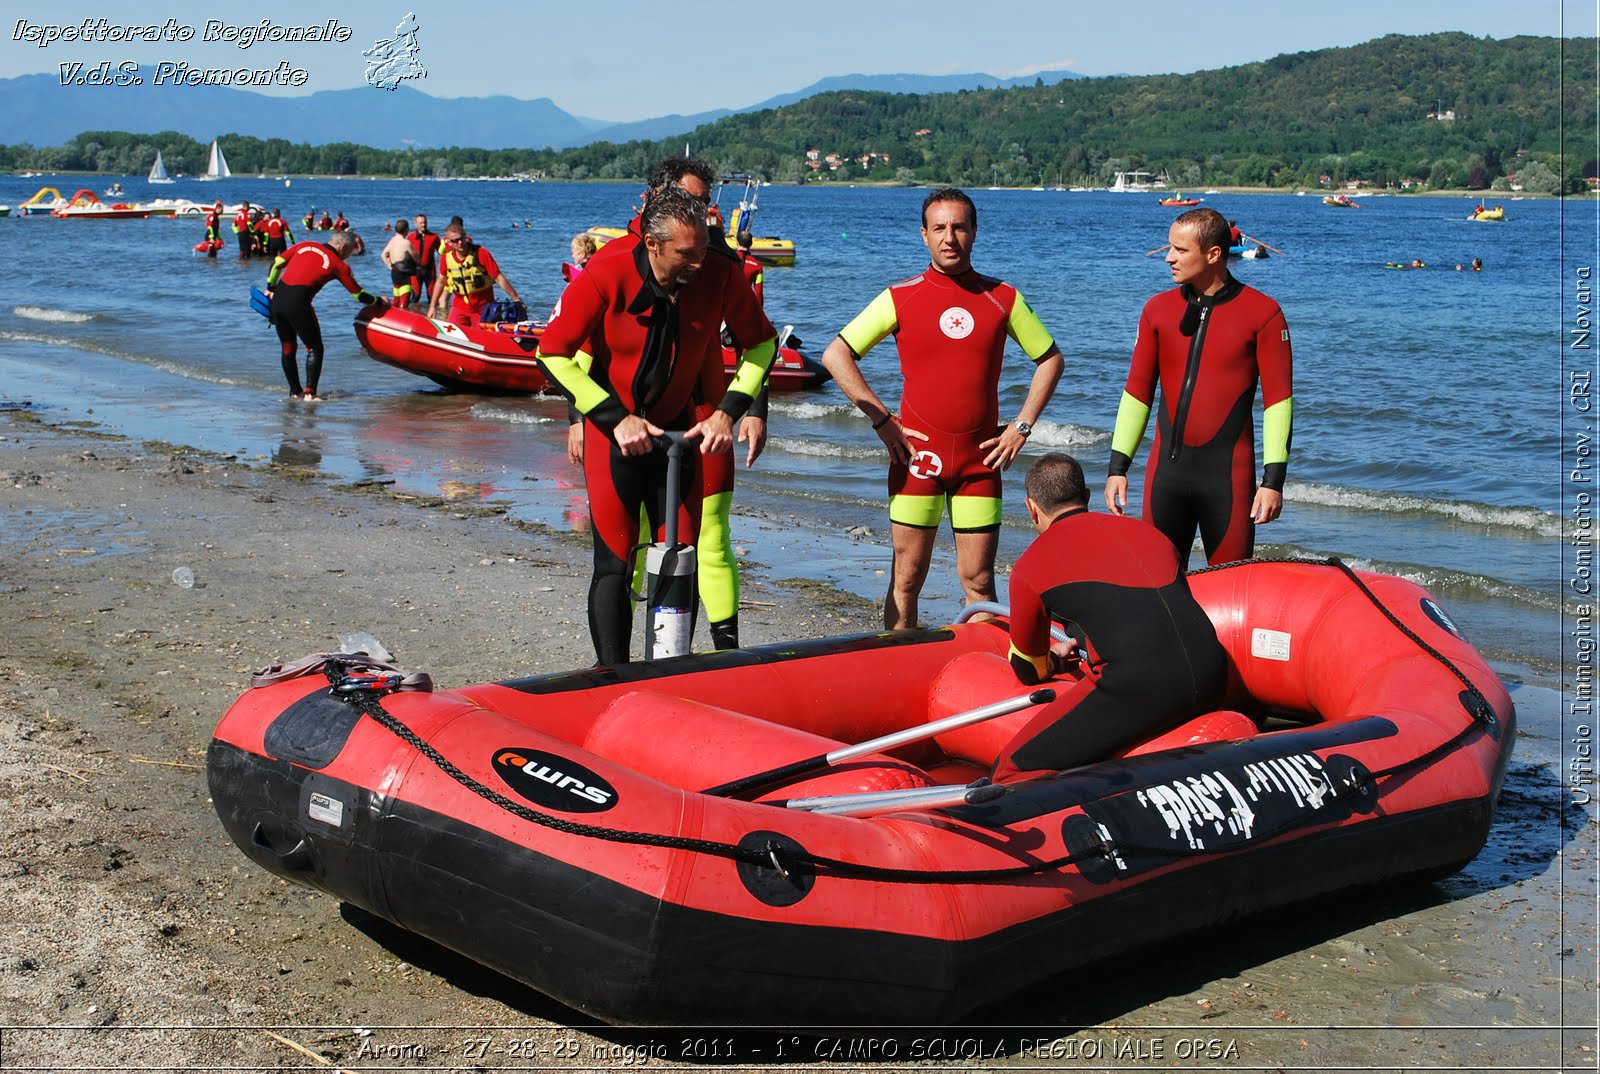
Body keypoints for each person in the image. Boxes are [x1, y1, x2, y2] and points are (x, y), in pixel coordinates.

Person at [537, 187, 777, 665]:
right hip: (616, 441)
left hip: (679, 438)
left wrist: (728, 411)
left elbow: (762, 346)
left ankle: (670, 670)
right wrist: (611, 418)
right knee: (614, 564)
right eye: (686, 254)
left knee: (679, 558)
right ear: (652, 243)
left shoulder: (721, 276)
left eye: (704, 250)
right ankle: (611, 674)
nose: (698, 262)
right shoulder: (607, 270)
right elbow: (552, 352)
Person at [820, 187, 1064, 630]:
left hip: (978, 464)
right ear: (924, 235)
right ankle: (897, 674)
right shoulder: (900, 296)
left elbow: (1050, 359)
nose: (949, 237)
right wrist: (881, 419)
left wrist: (1021, 427)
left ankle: (986, 679)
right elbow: (836, 354)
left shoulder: (1002, 298)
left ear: (974, 232)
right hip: (917, 461)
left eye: (959, 227)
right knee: (906, 580)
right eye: (939, 228)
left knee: (980, 582)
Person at [990, 452, 1226, 780]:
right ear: (1086, 497)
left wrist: (1057, 661)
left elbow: (1027, 669)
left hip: (1140, 687)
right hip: (1215, 672)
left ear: (1031, 509)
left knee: (1011, 769)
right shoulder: (1150, 533)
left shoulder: (1029, 567)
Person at [1105, 206, 1293, 568]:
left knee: (1230, 590)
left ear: (1213, 254)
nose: (1169, 258)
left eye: (1180, 250)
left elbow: (1278, 403)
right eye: (1169, 248)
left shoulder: (1263, 314)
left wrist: (1272, 482)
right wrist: (1118, 468)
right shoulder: (1157, 311)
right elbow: (1137, 393)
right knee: (1159, 587)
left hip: (1228, 480)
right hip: (1165, 477)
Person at [264, 231, 383, 401]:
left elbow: (277, 263)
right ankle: (310, 394)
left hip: (277, 303)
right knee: (315, 348)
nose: (348, 257)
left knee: (288, 348)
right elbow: (359, 296)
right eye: (350, 252)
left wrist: (271, 287)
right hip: (298, 305)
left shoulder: (304, 245)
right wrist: (379, 301)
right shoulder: (338, 265)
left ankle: (295, 392)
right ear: (343, 247)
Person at [427, 223, 522, 328]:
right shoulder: (446, 258)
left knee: (483, 338)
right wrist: (432, 306)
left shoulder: (481, 253)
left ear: (465, 236)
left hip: (483, 307)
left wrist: (516, 299)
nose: (459, 243)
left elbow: (499, 278)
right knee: (453, 335)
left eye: (461, 238)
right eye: (455, 240)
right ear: (449, 243)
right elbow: (440, 281)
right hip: (459, 307)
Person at [380, 219, 420, 308]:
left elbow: (383, 255)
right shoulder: (406, 242)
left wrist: (390, 265)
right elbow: (416, 257)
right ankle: (403, 311)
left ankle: (393, 311)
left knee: (396, 296)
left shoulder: (392, 240)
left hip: (394, 272)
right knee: (404, 298)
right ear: (406, 230)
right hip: (404, 273)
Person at [408, 214, 441, 305]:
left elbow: (442, 253)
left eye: (425, 222)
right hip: (415, 271)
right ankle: (412, 315)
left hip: (430, 271)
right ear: (416, 224)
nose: (423, 225)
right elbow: (405, 255)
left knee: (432, 298)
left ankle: (433, 316)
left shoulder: (434, 237)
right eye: (421, 223)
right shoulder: (410, 237)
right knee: (416, 297)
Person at [735, 230, 764, 306]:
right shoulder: (757, 266)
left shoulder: (728, 258)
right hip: (745, 305)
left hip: (727, 306)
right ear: (751, 244)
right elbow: (758, 292)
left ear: (737, 242)